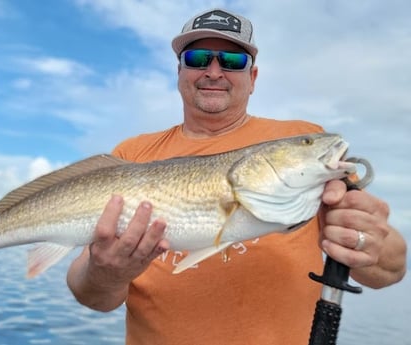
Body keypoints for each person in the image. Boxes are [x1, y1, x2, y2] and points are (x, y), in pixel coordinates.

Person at [66, 8, 407, 345]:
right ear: (180, 71)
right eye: (198, 58)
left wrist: (370, 245)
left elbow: (391, 269)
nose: (214, 71)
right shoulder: (131, 154)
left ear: (253, 78)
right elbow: (93, 296)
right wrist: (105, 273)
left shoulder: (306, 139)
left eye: (232, 61)